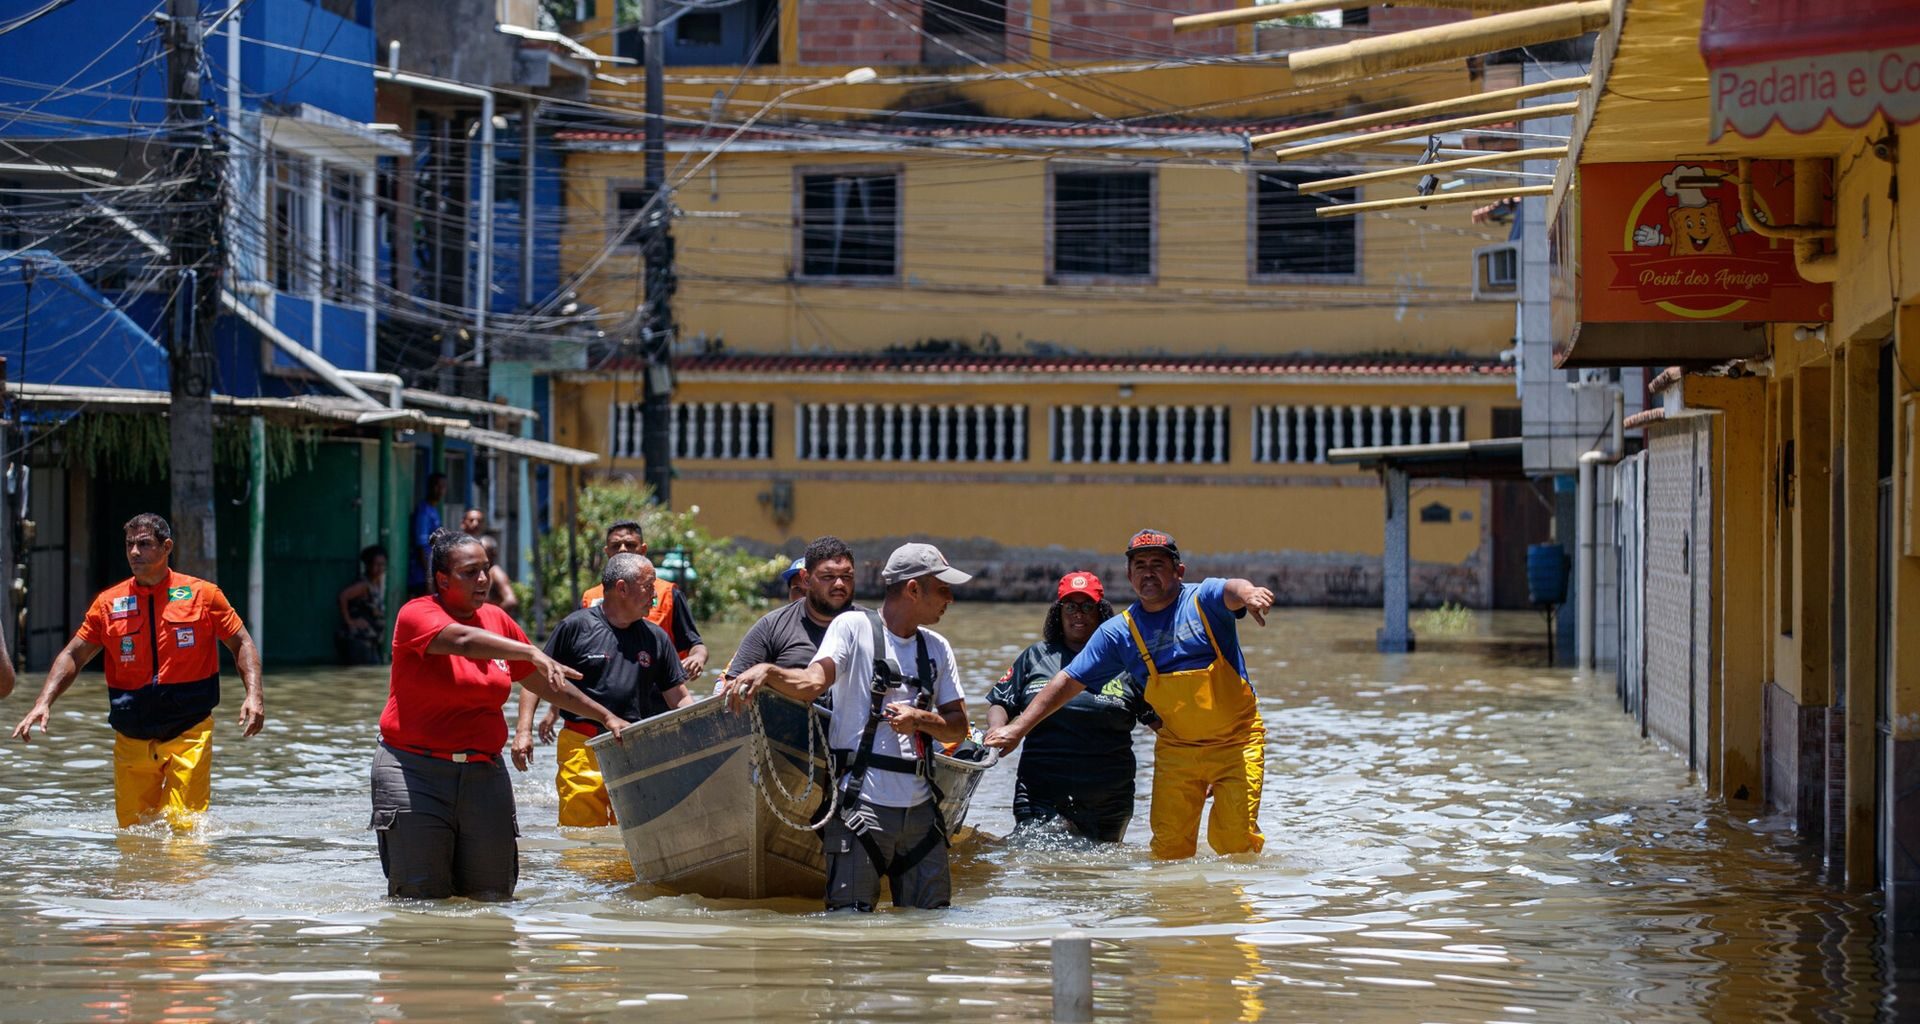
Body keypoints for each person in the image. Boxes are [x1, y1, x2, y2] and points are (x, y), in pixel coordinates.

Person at [372, 529, 631, 901]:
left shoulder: (497, 620)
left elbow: (547, 683)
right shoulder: (416, 613)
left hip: (483, 774)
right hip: (414, 772)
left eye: (486, 569)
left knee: (492, 896)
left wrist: (606, 717)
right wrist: (529, 652)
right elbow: (461, 641)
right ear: (442, 580)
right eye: (470, 572)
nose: (483, 580)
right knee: (420, 898)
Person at [985, 530, 1274, 861]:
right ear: (1128, 575)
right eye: (1139, 565)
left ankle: (1235, 910)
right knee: (1168, 852)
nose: (1148, 572)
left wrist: (1250, 593)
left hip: (1236, 743)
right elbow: (1067, 680)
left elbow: (1231, 588)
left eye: (1158, 564)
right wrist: (1017, 729)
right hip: (1178, 750)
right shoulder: (1118, 633)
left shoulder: (1202, 600)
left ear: (1179, 571)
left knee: (1236, 843)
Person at [725, 542, 971, 912]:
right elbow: (811, 683)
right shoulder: (852, 627)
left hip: (922, 814)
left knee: (931, 925)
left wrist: (921, 719)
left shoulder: (937, 647)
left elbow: (957, 728)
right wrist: (769, 671)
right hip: (862, 808)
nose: (950, 598)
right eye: (942, 588)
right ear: (913, 589)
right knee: (849, 929)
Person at [10, 513, 265, 830]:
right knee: (132, 834)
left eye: (144, 544)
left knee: (184, 830)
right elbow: (75, 654)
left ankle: (188, 880)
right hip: (131, 734)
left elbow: (241, 643)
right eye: (130, 544)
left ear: (166, 547)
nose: (134, 552)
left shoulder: (203, 595)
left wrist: (254, 695)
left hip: (189, 730)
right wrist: (43, 701)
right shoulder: (108, 603)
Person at [514, 553, 696, 827]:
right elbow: (534, 678)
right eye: (649, 586)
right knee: (582, 841)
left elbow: (679, 697)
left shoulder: (656, 637)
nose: (655, 596)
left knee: (631, 837)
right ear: (622, 587)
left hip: (636, 747)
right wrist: (523, 730)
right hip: (581, 747)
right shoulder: (575, 627)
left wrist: (701, 730)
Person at [987, 571, 1158, 843]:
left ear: (1101, 613)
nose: (1079, 613)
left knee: (1097, 877)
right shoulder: (1035, 656)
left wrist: (1198, 762)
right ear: (1058, 612)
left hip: (1108, 801)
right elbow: (1001, 701)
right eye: (1070, 606)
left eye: (1087, 606)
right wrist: (997, 730)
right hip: (1040, 791)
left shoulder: (1126, 663)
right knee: (1038, 862)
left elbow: (1161, 722)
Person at [533, 519, 708, 741]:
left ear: (643, 550)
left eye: (630, 545)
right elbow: (550, 671)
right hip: (585, 737)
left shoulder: (664, 608)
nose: (653, 596)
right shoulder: (581, 616)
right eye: (616, 546)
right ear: (621, 588)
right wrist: (550, 712)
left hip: (648, 722)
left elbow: (681, 691)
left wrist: (702, 725)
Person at [720, 537, 859, 686]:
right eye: (828, 577)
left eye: (846, 577)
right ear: (806, 579)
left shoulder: (872, 626)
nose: (839, 584)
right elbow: (730, 688)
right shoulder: (771, 626)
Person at [337, 545, 388, 665]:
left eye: (382, 565)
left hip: (371, 641)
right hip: (359, 641)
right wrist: (349, 621)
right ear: (368, 565)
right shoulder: (364, 585)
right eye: (376, 564)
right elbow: (343, 597)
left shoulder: (377, 583)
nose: (380, 568)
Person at [408, 473, 448, 597]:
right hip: (421, 576)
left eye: (443, 486)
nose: (440, 490)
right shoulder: (424, 511)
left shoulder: (433, 510)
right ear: (430, 487)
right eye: (436, 486)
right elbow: (422, 546)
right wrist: (429, 578)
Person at [479, 535, 519, 615]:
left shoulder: (496, 572)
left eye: (483, 550)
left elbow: (511, 601)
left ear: (493, 554)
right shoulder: (482, 573)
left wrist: (493, 617)